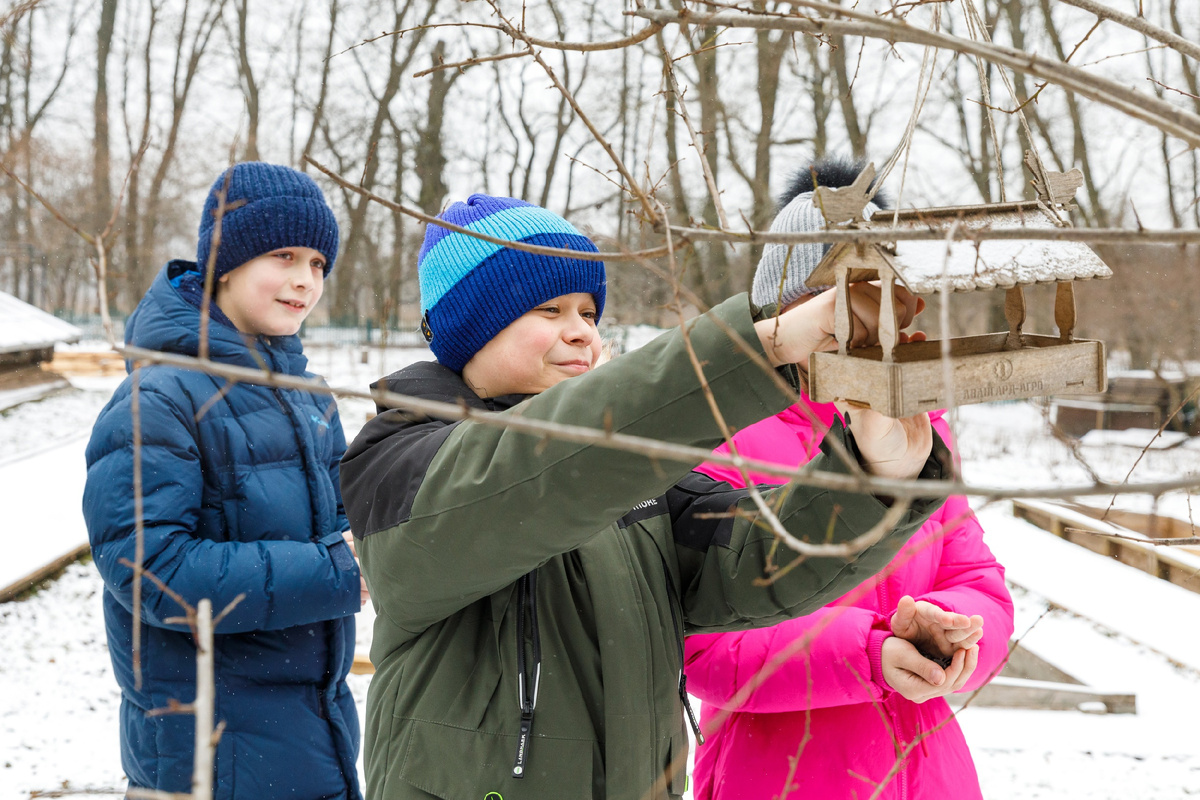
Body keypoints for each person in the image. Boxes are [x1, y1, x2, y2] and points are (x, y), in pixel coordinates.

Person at [340, 193, 954, 800]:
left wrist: (876, 475)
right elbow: (524, 478)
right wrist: (760, 348)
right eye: (550, 310)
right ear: (471, 325)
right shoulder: (401, 459)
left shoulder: (634, 476)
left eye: (588, 312)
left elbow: (752, 553)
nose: (581, 332)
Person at [683, 158, 1016, 800]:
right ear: (784, 308)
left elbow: (980, 587)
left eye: (875, 294)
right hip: (779, 776)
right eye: (831, 297)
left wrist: (949, 631)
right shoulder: (720, 435)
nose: (857, 322)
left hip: (929, 774)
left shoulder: (921, 433)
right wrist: (868, 652)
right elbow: (705, 647)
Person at [83, 162, 364, 800]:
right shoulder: (156, 397)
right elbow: (151, 573)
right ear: (225, 264)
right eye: (284, 254)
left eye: (319, 262)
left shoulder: (307, 397)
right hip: (208, 759)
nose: (304, 279)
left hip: (312, 741)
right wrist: (339, 571)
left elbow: (344, 525)